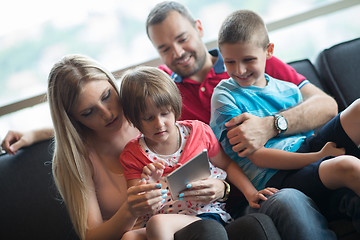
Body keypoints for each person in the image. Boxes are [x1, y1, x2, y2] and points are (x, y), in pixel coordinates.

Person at [43, 54, 232, 240]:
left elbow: (212, 153)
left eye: (107, 96)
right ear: (74, 118)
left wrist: (223, 188)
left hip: (198, 219)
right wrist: (130, 209)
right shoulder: (77, 158)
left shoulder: (148, 113)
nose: (107, 114)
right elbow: (91, 235)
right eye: (88, 112)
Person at [210, 9, 360, 231]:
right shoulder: (224, 96)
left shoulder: (289, 90)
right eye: (230, 62)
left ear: (269, 51)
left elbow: (309, 134)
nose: (239, 70)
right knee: (347, 165)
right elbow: (259, 157)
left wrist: (316, 154)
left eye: (248, 60)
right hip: (275, 178)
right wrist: (317, 157)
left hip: (306, 153)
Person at [145, 1, 338, 157]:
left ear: (199, 28)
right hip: (247, 195)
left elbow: (327, 106)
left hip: (300, 156)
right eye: (165, 49)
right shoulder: (164, 93)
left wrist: (272, 125)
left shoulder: (250, 60)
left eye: (182, 39)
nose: (178, 52)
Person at [118, 66, 278, 240]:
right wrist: (149, 185)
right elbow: (139, 203)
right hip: (165, 223)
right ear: (134, 120)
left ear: (175, 108)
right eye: (149, 118)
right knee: (129, 237)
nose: (159, 123)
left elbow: (227, 165)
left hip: (204, 214)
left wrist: (251, 193)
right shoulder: (133, 154)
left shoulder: (198, 132)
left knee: (157, 223)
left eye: (165, 113)